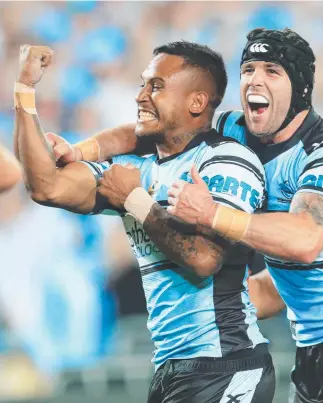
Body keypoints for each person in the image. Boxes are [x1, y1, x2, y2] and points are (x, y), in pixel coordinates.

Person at [44, 29, 323, 403]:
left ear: (300, 88)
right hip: (309, 346)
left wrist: (212, 213)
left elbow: (306, 240)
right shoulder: (234, 128)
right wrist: (81, 149)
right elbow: (150, 131)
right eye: (249, 69)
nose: (255, 79)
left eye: (272, 71)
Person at [14, 42, 275, 403]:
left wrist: (134, 201)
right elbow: (46, 187)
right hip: (173, 366)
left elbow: (205, 260)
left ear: (196, 102)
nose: (141, 96)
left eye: (156, 86)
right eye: (142, 84)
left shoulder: (226, 161)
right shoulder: (138, 167)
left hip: (225, 363)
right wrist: (24, 92)